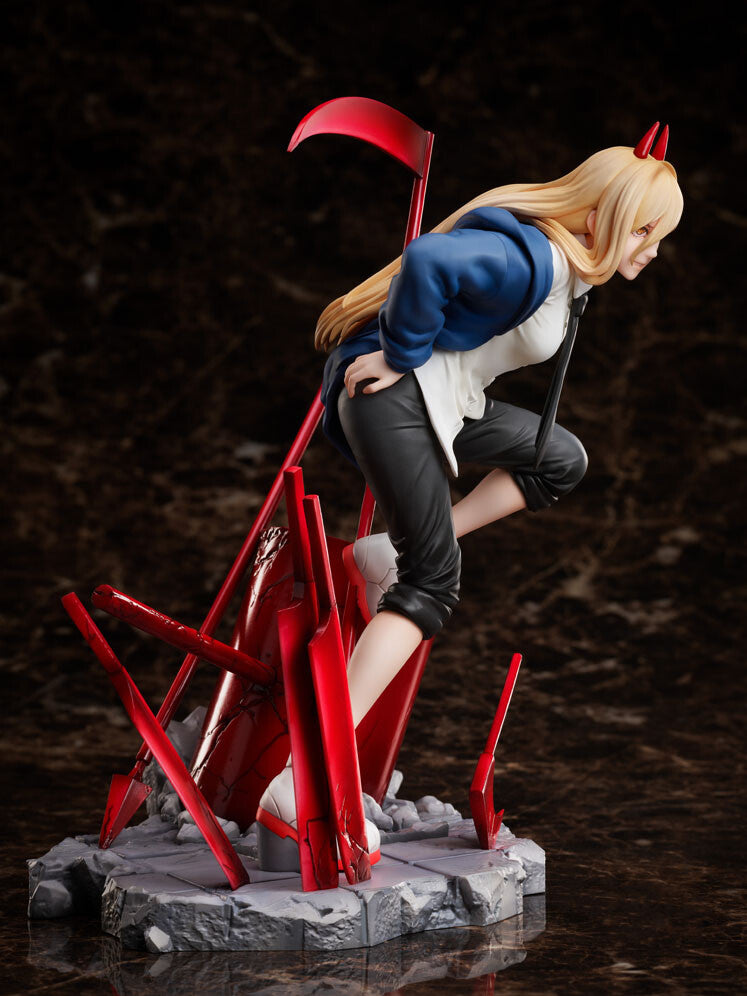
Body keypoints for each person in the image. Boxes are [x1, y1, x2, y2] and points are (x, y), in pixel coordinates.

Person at [256, 123, 683, 868]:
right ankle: (301, 782)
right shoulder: (532, 261)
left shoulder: (566, 270)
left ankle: (387, 551)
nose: (650, 251)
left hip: (447, 399)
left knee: (559, 459)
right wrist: (400, 353)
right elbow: (428, 261)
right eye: (644, 231)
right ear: (600, 218)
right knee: (432, 584)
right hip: (398, 396)